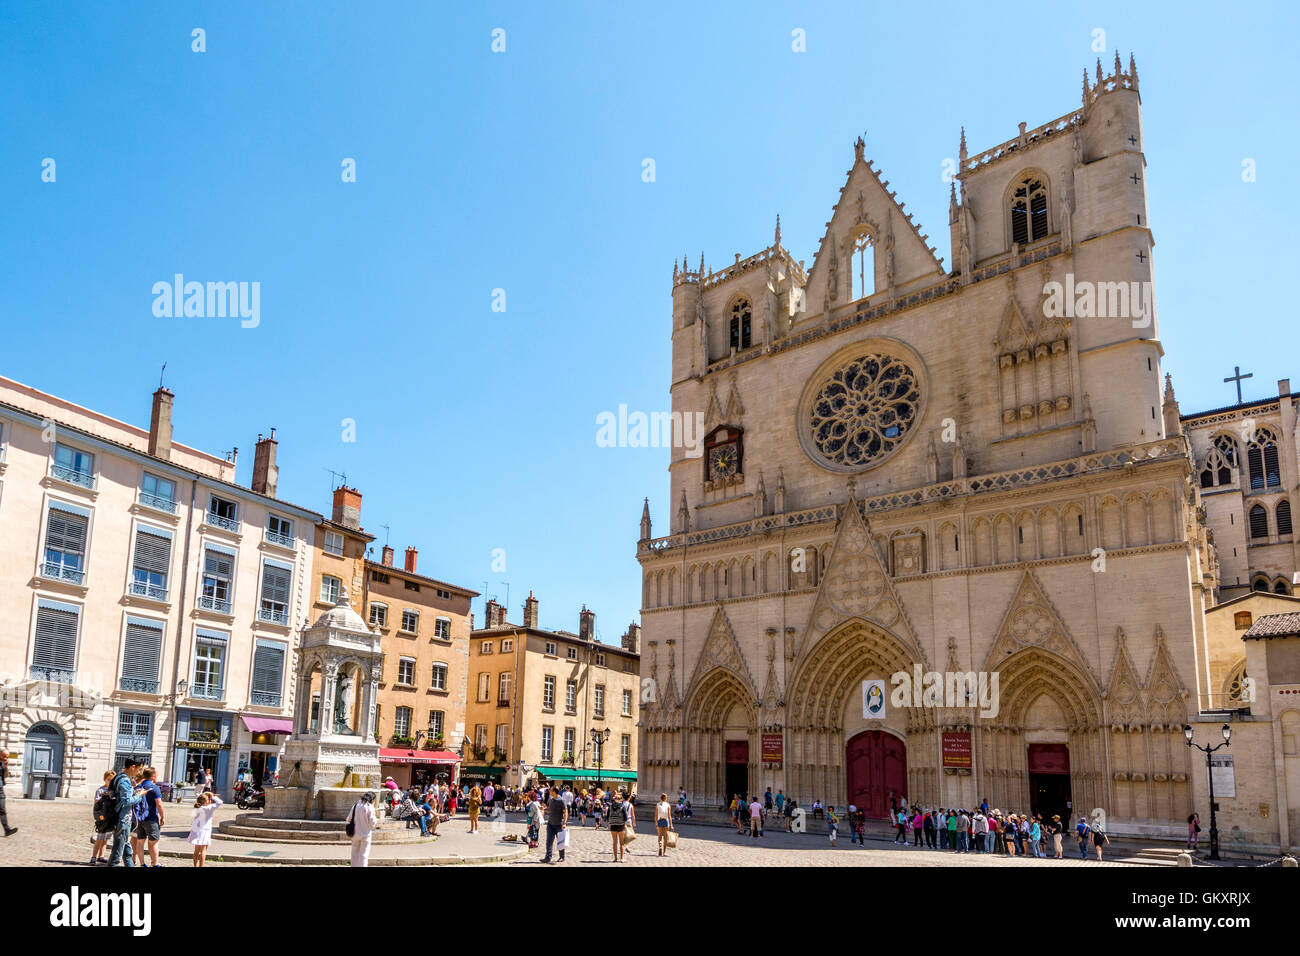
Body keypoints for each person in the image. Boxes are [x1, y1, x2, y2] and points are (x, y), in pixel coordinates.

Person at [108, 757, 148, 867]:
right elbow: (126, 801)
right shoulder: (124, 780)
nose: (139, 772)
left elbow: (121, 797)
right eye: (139, 769)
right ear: (132, 767)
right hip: (122, 819)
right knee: (117, 854)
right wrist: (139, 796)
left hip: (121, 818)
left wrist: (135, 792)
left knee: (127, 852)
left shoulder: (118, 777)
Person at [132, 767, 165, 867]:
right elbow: (159, 804)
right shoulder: (154, 788)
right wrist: (162, 816)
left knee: (140, 841)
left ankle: (142, 863)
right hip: (151, 818)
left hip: (139, 818)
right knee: (153, 842)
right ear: (153, 776)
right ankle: (155, 863)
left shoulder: (138, 787)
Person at [188, 791, 222, 867]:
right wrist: (212, 795)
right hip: (205, 831)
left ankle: (195, 866)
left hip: (196, 830)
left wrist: (205, 794)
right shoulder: (209, 808)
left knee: (196, 851)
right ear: (206, 801)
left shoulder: (197, 807)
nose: (210, 800)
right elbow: (220, 802)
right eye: (209, 799)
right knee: (203, 851)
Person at [90, 770, 115, 864]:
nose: (110, 781)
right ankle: (93, 857)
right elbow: (96, 804)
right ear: (105, 779)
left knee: (106, 838)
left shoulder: (114, 791)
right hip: (102, 817)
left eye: (112, 780)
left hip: (110, 817)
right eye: (108, 779)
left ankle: (101, 856)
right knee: (100, 837)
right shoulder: (100, 790)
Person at [346, 792, 377, 867]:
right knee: (364, 854)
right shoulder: (370, 807)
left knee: (354, 853)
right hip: (366, 834)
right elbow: (373, 822)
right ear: (372, 799)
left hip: (355, 833)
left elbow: (348, 819)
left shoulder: (355, 806)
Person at [541, 784, 568, 863]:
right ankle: (548, 858)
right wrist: (544, 809)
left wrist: (564, 823)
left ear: (554, 792)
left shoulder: (561, 801)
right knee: (549, 841)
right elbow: (550, 810)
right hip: (550, 824)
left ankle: (562, 857)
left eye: (551, 790)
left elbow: (565, 812)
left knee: (560, 841)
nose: (549, 791)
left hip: (559, 824)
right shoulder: (552, 799)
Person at [607, 790, 629, 861]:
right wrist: (623, 821)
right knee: (622, 843)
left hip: (613, 825)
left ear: (615, 799)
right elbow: (625, 817)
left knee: (614, 842)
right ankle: (622, 858)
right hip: (620, 825)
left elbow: (607, 817)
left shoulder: (610, 806)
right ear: (621, 799)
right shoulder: (622, 806)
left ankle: (615, 858)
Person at [655, 792, 673, 856]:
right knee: (665, 837)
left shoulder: (657, 805)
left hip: (660, 820)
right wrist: (671, 825)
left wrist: (656, 823)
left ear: (660, 798)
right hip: (666, 821)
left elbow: (656, 815)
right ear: (666, 798)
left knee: (660, 836)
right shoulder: (668, 805)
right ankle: (664, 852)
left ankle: (660, 846)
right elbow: (669, 816)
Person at [0, 746, 12, 838]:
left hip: (0, 789)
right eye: (4, 756)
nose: (6, 758)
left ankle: (7, 829)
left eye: (7, 757)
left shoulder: (4, 764)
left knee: (2, 809)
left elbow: (6, 775)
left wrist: (6, 767)